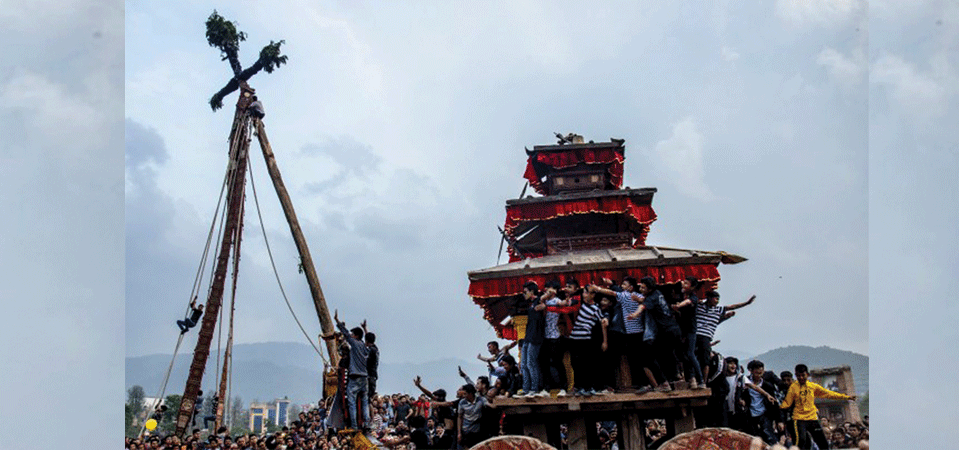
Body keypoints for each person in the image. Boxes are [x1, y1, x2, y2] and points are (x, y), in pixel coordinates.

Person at [780, 363, 857, 450]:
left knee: (823, 443)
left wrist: (846, 397)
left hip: (812, 418)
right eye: (798, 376)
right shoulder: (793, 388)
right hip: (799, 419)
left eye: (803, 375)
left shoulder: (813, 386)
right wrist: (778, 412)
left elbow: (828, 394)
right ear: (796, 375)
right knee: (801, 441)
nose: (801, 378)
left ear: (807, 375)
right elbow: (786, 403)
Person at [694, 291, 755, 383]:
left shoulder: (718, 310)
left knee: (705, 359)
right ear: (709, 298)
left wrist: (746, 303)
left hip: (706, 336)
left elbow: (733, 306)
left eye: (718, 299)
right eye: (715, 298)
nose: (717, 301)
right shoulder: (699, 306)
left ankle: (703, 382)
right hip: (694, 334)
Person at [334, 309, 371, 431]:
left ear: (356, 336)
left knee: (351, 402)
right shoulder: (365, 347)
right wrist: (365, 329)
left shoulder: (354, 344)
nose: (351, 336)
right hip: (364, 377)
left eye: (353, 334)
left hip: (354, 377)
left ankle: (354, 425)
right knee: (365, 401)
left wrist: (337, 321)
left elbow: (345, 333)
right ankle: (367, 423)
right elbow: (369, 339)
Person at [567, 284, 605, 396]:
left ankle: (588, 387)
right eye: (584, 292)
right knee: (575, 364)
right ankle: (579, 387)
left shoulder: (596, 309)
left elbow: (603, 323)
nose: (584, 295)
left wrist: (605, 341)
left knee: (586, 364)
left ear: (593, 295)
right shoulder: (580, 305)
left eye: (587, 292)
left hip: (585, 339)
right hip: (574, 338)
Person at [670, 276, 705, 389]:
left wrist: (678, 306)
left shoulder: (693, 298)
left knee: (690, 354)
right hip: (683, 331)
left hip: (690, 330)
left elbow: (686, 303)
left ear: (692, 287)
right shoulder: (681, 295)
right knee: (682, 355)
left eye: (686, 283)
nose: (683, 285)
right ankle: (690, 378)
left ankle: (701, 380)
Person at [741, 361, 780, 445]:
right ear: (751, 371)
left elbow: (774, 402)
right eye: (757, 371)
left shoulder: (767, 385)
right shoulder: (745, 381)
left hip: (764, 414)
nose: (759, 374)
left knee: (769, 436)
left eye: (761, 372)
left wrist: (779, 420)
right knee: (752, 438)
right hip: (750, 414)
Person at [457, 383, 494, 448]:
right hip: (466, 430)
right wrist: (459, 433)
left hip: (477, 431)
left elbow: (490, 405)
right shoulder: (462, 402)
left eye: (465, 394)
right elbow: (460, 417)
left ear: (470, 394)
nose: (464, 396)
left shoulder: (480, 400)